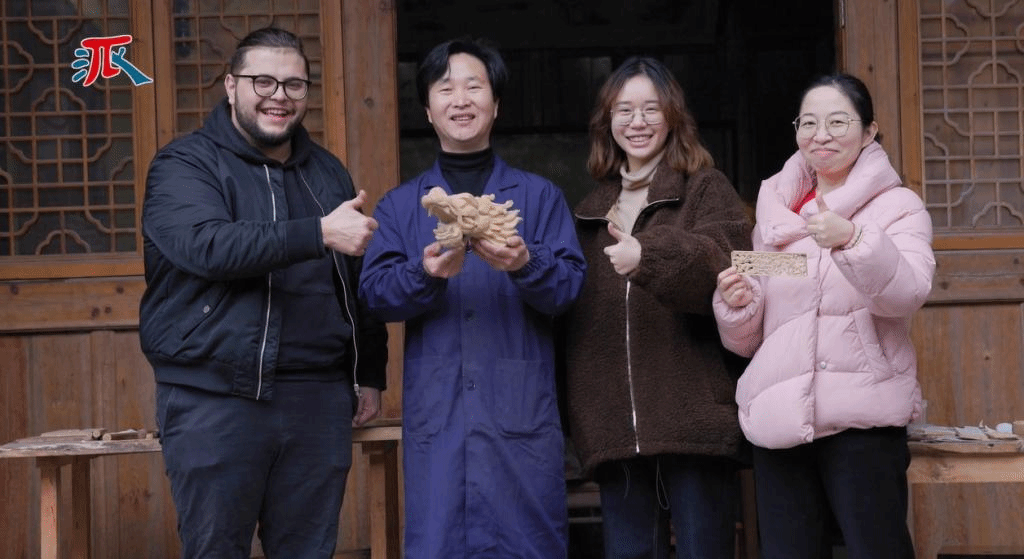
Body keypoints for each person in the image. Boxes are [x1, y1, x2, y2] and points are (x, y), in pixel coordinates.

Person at [138, 27, 388, 559]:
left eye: (294, 84)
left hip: (318, 397)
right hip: (215, 395)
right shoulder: (185, 164)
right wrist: (317, 232)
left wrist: (369, 369)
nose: (279, 96)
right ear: (231, 86)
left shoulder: (328, 172)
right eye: (263, 81)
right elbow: (206, 246)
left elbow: (354, 280)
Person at [359, 38, 586, 559]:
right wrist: (423, 273)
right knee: (439, 541)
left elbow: (570, 289)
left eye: (474, 86)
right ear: (428, 110)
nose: (460, 100)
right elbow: (376, 295)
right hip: (439, 415)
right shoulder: (401, 206)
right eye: (445, 89)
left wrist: (525, 264)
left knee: (528, 543)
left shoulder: (539, 198)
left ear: (496, 104)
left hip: (520, 415)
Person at [713, 73, 935, 559]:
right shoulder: (776, 215)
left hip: (863, 418)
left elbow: (907, 294)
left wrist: (854, 239)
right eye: (808, 123)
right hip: (781, 420)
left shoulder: (898, 208)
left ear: (869, 131)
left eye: (838, 122)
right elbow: (751, 336)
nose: (821, 135)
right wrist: (736, 303)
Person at [565, 56, 752, 559]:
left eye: (651, 108)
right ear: (607, 122)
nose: (638, 122)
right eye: (624, 110)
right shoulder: (588, 210)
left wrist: (647, 256)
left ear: (673, 116)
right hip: (615, 432)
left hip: (694, 425)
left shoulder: (705, 188)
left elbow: (728, 261)